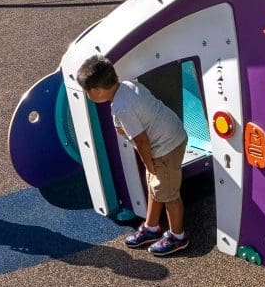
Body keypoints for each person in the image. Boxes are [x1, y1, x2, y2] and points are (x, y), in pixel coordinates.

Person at [79, 57, 190, 257]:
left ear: (97, 91)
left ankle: (177, 237)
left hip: (166, 147)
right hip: (170, 136)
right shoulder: (128, 85)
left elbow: (142, 142)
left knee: (169, 194)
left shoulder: (122, 108)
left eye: (87, 91)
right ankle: (152, 226)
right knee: (155, 186)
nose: (87, 95)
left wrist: (149, 164)